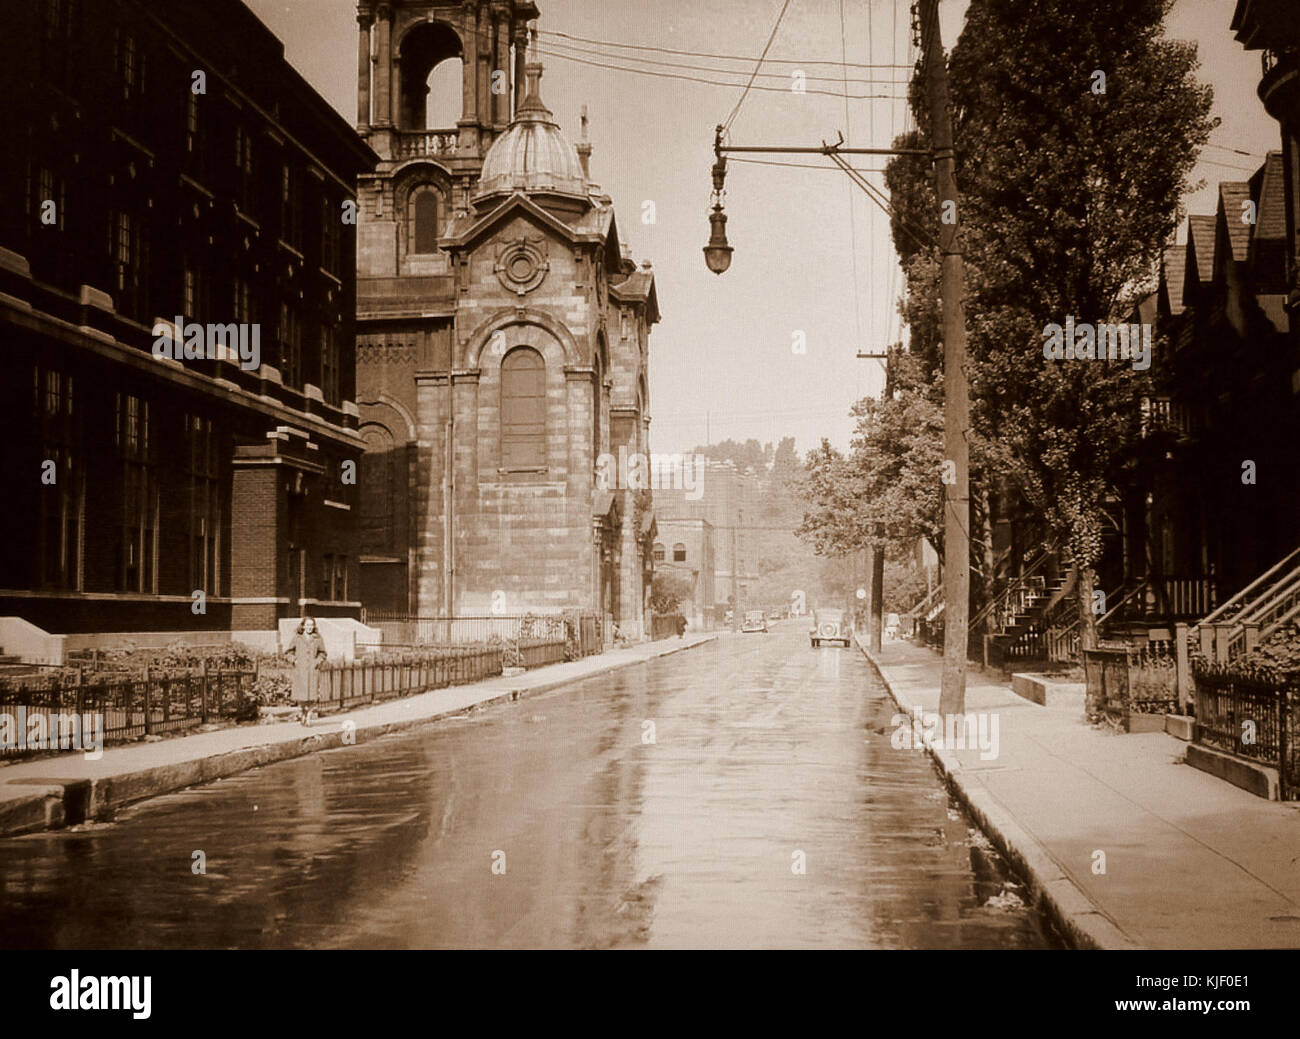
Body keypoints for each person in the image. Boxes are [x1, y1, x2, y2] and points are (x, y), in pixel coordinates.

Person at [285, 617, 327, 726]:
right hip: (301, 671)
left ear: (314, 626)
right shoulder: (297, 638)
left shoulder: (318, 638)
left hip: (313, 671)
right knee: (302, 697)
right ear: (303, 625)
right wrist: (295, 660)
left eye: (311, 625)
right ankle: (303, 712)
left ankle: (308, 717)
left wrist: (317, 661)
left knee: (313, 697)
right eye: (307, 625)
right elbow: (289, 652)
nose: (309, 627)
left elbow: (323, 653)